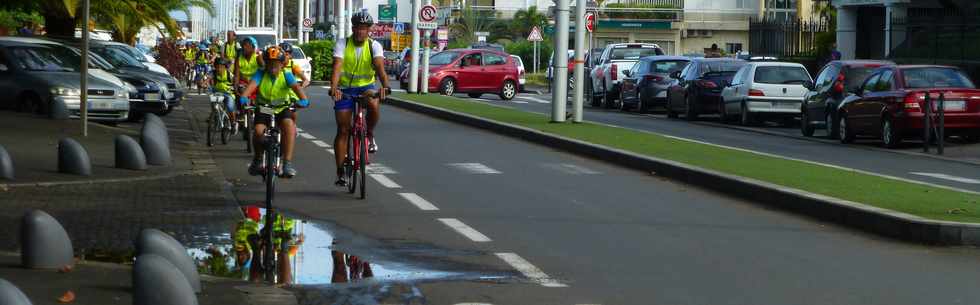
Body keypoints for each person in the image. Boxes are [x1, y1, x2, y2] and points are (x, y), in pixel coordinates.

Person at [329, 11, 390, 187]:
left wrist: (385, 86)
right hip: (345, 89)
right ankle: (340, 172)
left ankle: (369, 134)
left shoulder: (374, 46)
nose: (360, 31)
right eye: (357, 28)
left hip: (366, 88)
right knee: (343, 130)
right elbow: (337, 68)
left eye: (364, 28)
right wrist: (334, 88)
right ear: (353, 28)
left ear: (369, 30)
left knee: (373, 103)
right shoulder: (343, 43)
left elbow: (380, 68)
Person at [239, 46, 308, 178]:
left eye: (276, 64)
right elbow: (251, 86)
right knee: (258, 131)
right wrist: (244, 98)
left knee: (289, 125)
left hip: (282, 108)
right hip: (265, 108)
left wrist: (303, 101)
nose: (272, 68)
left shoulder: (287, 75)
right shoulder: (260, 73)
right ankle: (257, 160)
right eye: (270, 64)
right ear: (266, 64)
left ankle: (287, 163)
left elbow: (298, 90)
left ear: (282, 65)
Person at [211, 58, 238, 127]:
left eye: (221, 67)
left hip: (228, 94)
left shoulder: (229, 75)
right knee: (214, 105)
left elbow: (235, 81)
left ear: (225, 67)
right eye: (217, 67)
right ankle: (214, 117)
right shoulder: (213, 73)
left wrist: (235, 87)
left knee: (230, 107)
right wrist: (204, 82)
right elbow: (207, 78)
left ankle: (233, 123)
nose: (219, 69)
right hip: (217, 93)